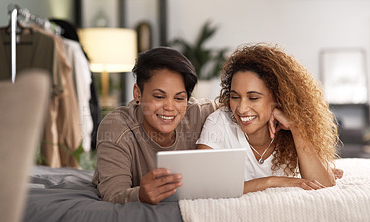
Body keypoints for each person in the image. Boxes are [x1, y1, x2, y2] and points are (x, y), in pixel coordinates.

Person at [197, 44, 340, 193]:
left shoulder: (292, 128)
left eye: (253, 98)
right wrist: (272, 181)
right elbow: (202, 187)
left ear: (278, 97)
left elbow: (325, 186)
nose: (241, 108)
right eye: (235, 97)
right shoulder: (219, 123)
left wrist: (296, 128)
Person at [92, 47, 215, 204]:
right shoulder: (116, 127)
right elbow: (113, 195)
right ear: (138, 94)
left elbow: (237, 102)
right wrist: (140, 195)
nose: (170, 107)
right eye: (159, 96)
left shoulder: (198, 113)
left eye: (179, 98)